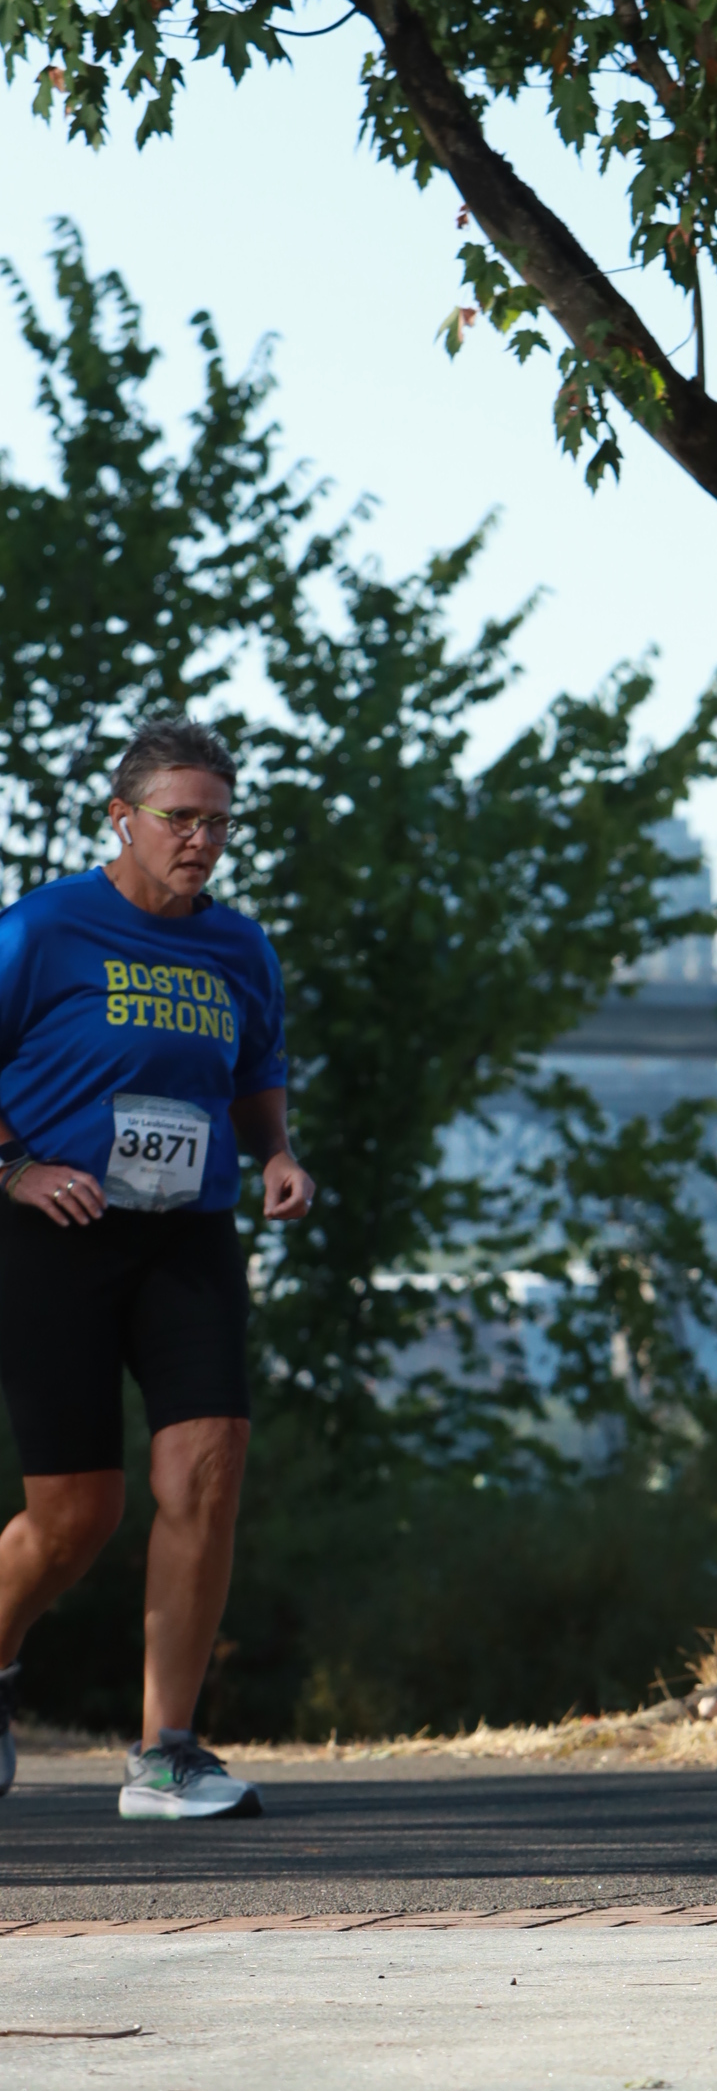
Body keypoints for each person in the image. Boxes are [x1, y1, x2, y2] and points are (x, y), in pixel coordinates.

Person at [0, 721, 314, 1817]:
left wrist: (276, 1154)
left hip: (187, 1230)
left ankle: (167, 1753)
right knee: (76, 1515)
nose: (201, 841)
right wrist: (16, 1169)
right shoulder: (44, 928)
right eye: (180, 819)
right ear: (121, 819)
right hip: (55, 1233)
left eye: (218, 822)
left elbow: (256, 1072)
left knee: (209, 1466)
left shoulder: (239, 948)